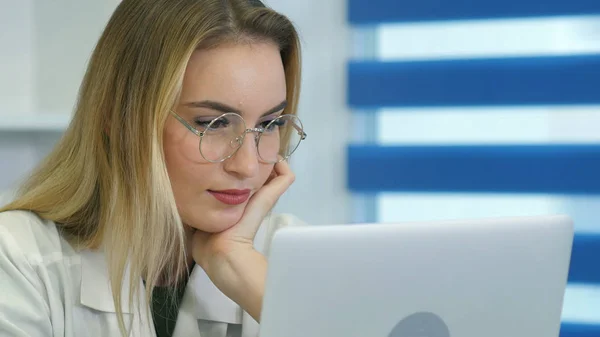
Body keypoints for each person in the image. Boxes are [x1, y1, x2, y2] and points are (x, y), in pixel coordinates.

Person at [0, 0, 308, 336]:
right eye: (211, 123)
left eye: (268, 124)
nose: (247, 165)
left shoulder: (294, 255)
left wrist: (241, 269)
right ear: (119, 119)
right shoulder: (17, 258)